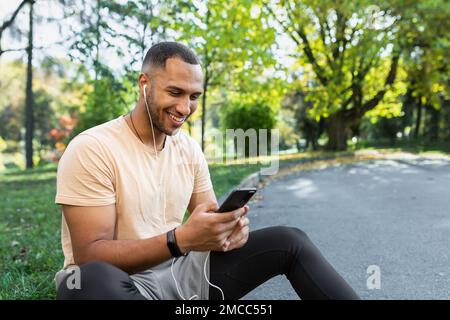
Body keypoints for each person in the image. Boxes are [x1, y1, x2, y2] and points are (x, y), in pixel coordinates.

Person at [55, 41, 360, 300]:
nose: (185, 108)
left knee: (289, 240)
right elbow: (89, 254)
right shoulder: (92, 148)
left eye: (194, 96)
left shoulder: (187, 149)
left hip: (182, 275)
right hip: (121, 285)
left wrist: (227, 232)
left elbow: (208, 217)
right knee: (87, 278)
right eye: (175, 92)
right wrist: (179, 240)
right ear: (144, 84)